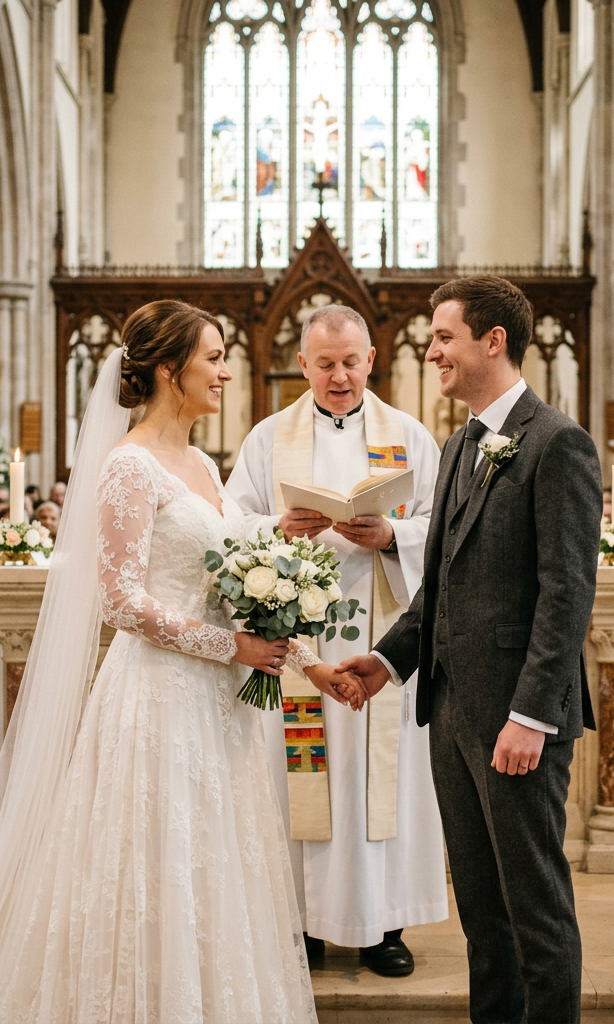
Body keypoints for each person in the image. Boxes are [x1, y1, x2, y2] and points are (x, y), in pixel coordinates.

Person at [0, 300, 354, 1023]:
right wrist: (234, 648)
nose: (226, 372)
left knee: (213, 871)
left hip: (219, 710)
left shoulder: (199, 463)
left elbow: (230, 582)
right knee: (151, 873)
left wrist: (304, 659)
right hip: (158, 702)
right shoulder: (128, 466)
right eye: (214, 358)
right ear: (168, 369)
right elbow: (121, 602)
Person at [338, 276, 600, 1023]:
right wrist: (387, 660)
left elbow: (566, 596)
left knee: (536, 914)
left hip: (516, 720)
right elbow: (441, 586)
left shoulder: (558, 444)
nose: (432, 350)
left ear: (494, 341)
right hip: (451, 712)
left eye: (445, 336)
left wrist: (532, 714)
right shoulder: (458, 444)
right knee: (483, 917)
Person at [226, 304, 447, 976]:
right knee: (299, 776)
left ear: (372, 359)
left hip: (385, 639)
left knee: (380, 779)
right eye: (325, 363)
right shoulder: (268, 438)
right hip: (301, 644)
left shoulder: (408, 436)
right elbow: (230, 524)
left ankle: (384, 927)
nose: (340, 375)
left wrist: (393, 537)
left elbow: (444, 530)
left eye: (351, 361)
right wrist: (275, 528)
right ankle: (302, 928)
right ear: (303, 364)